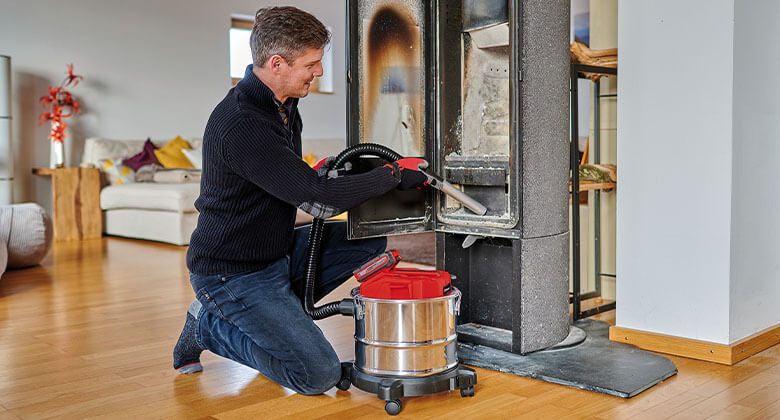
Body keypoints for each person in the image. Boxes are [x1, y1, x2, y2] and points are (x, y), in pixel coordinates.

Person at [172, 6, 428, 395]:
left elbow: (293, 178)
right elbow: (319, 203)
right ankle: (208, 325)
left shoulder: (284, 106)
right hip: (231, 274)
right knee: (318, 375)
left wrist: (326, 174)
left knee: (368, 238)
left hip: (275, 253)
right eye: (312, 63)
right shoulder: (244, 123)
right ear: (277, 63)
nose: (320, 71)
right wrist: (391, 176)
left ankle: (280, 317)